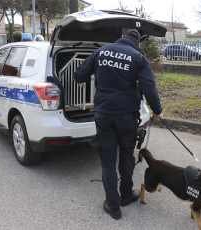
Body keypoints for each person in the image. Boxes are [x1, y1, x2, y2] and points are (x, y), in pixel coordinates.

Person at [73, 29, 163, 220]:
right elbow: (149, 87)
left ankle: (113, 207)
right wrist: (157, 111)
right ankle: (126, 194)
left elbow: (78, 76)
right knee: (127, 155)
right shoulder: (139, 57)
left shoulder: (101, 51)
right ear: (137, 43)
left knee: (107, 159)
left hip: (104, 114)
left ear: (122, 38)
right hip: (126, 117)